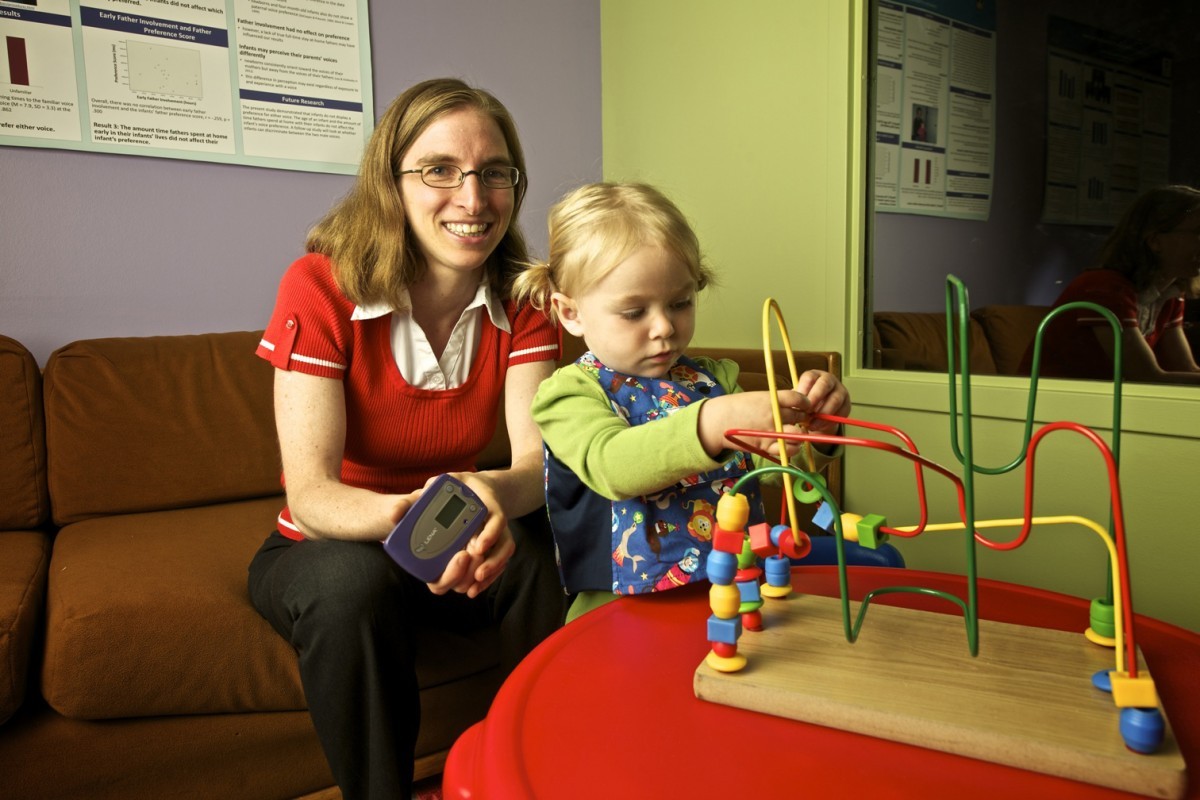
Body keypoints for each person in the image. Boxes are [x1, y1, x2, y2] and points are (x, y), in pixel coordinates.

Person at [248, 78, 567, 799]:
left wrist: (484, 500)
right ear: (389, 183)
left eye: (495, 173)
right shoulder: (320, 287)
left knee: (546, 549)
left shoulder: (526, 300)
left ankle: (538, 772)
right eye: (439, 171)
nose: (473, 197)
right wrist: (421, 518)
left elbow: (534, 465)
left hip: (455, 523)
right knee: (347, 586)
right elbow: (312, 494)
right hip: (333, 540)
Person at [511, 182, 851, 622]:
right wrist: (712, 422)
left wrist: (819, 432)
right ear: (570, 313)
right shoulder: (568, 394)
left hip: (739, 590)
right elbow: (613, 465)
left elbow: (783, 466)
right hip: (622, 612)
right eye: (634, 312)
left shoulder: (714, 380)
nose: (664, 328)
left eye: (680, 303)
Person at [1024, 184, 1200, 384]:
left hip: (1102, 405)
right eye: (1198, 232)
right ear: (1155, 241)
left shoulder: (1171, 293)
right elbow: (1146, 376)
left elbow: (1187, 369)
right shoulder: (1104, 289)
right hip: (1050, 406)